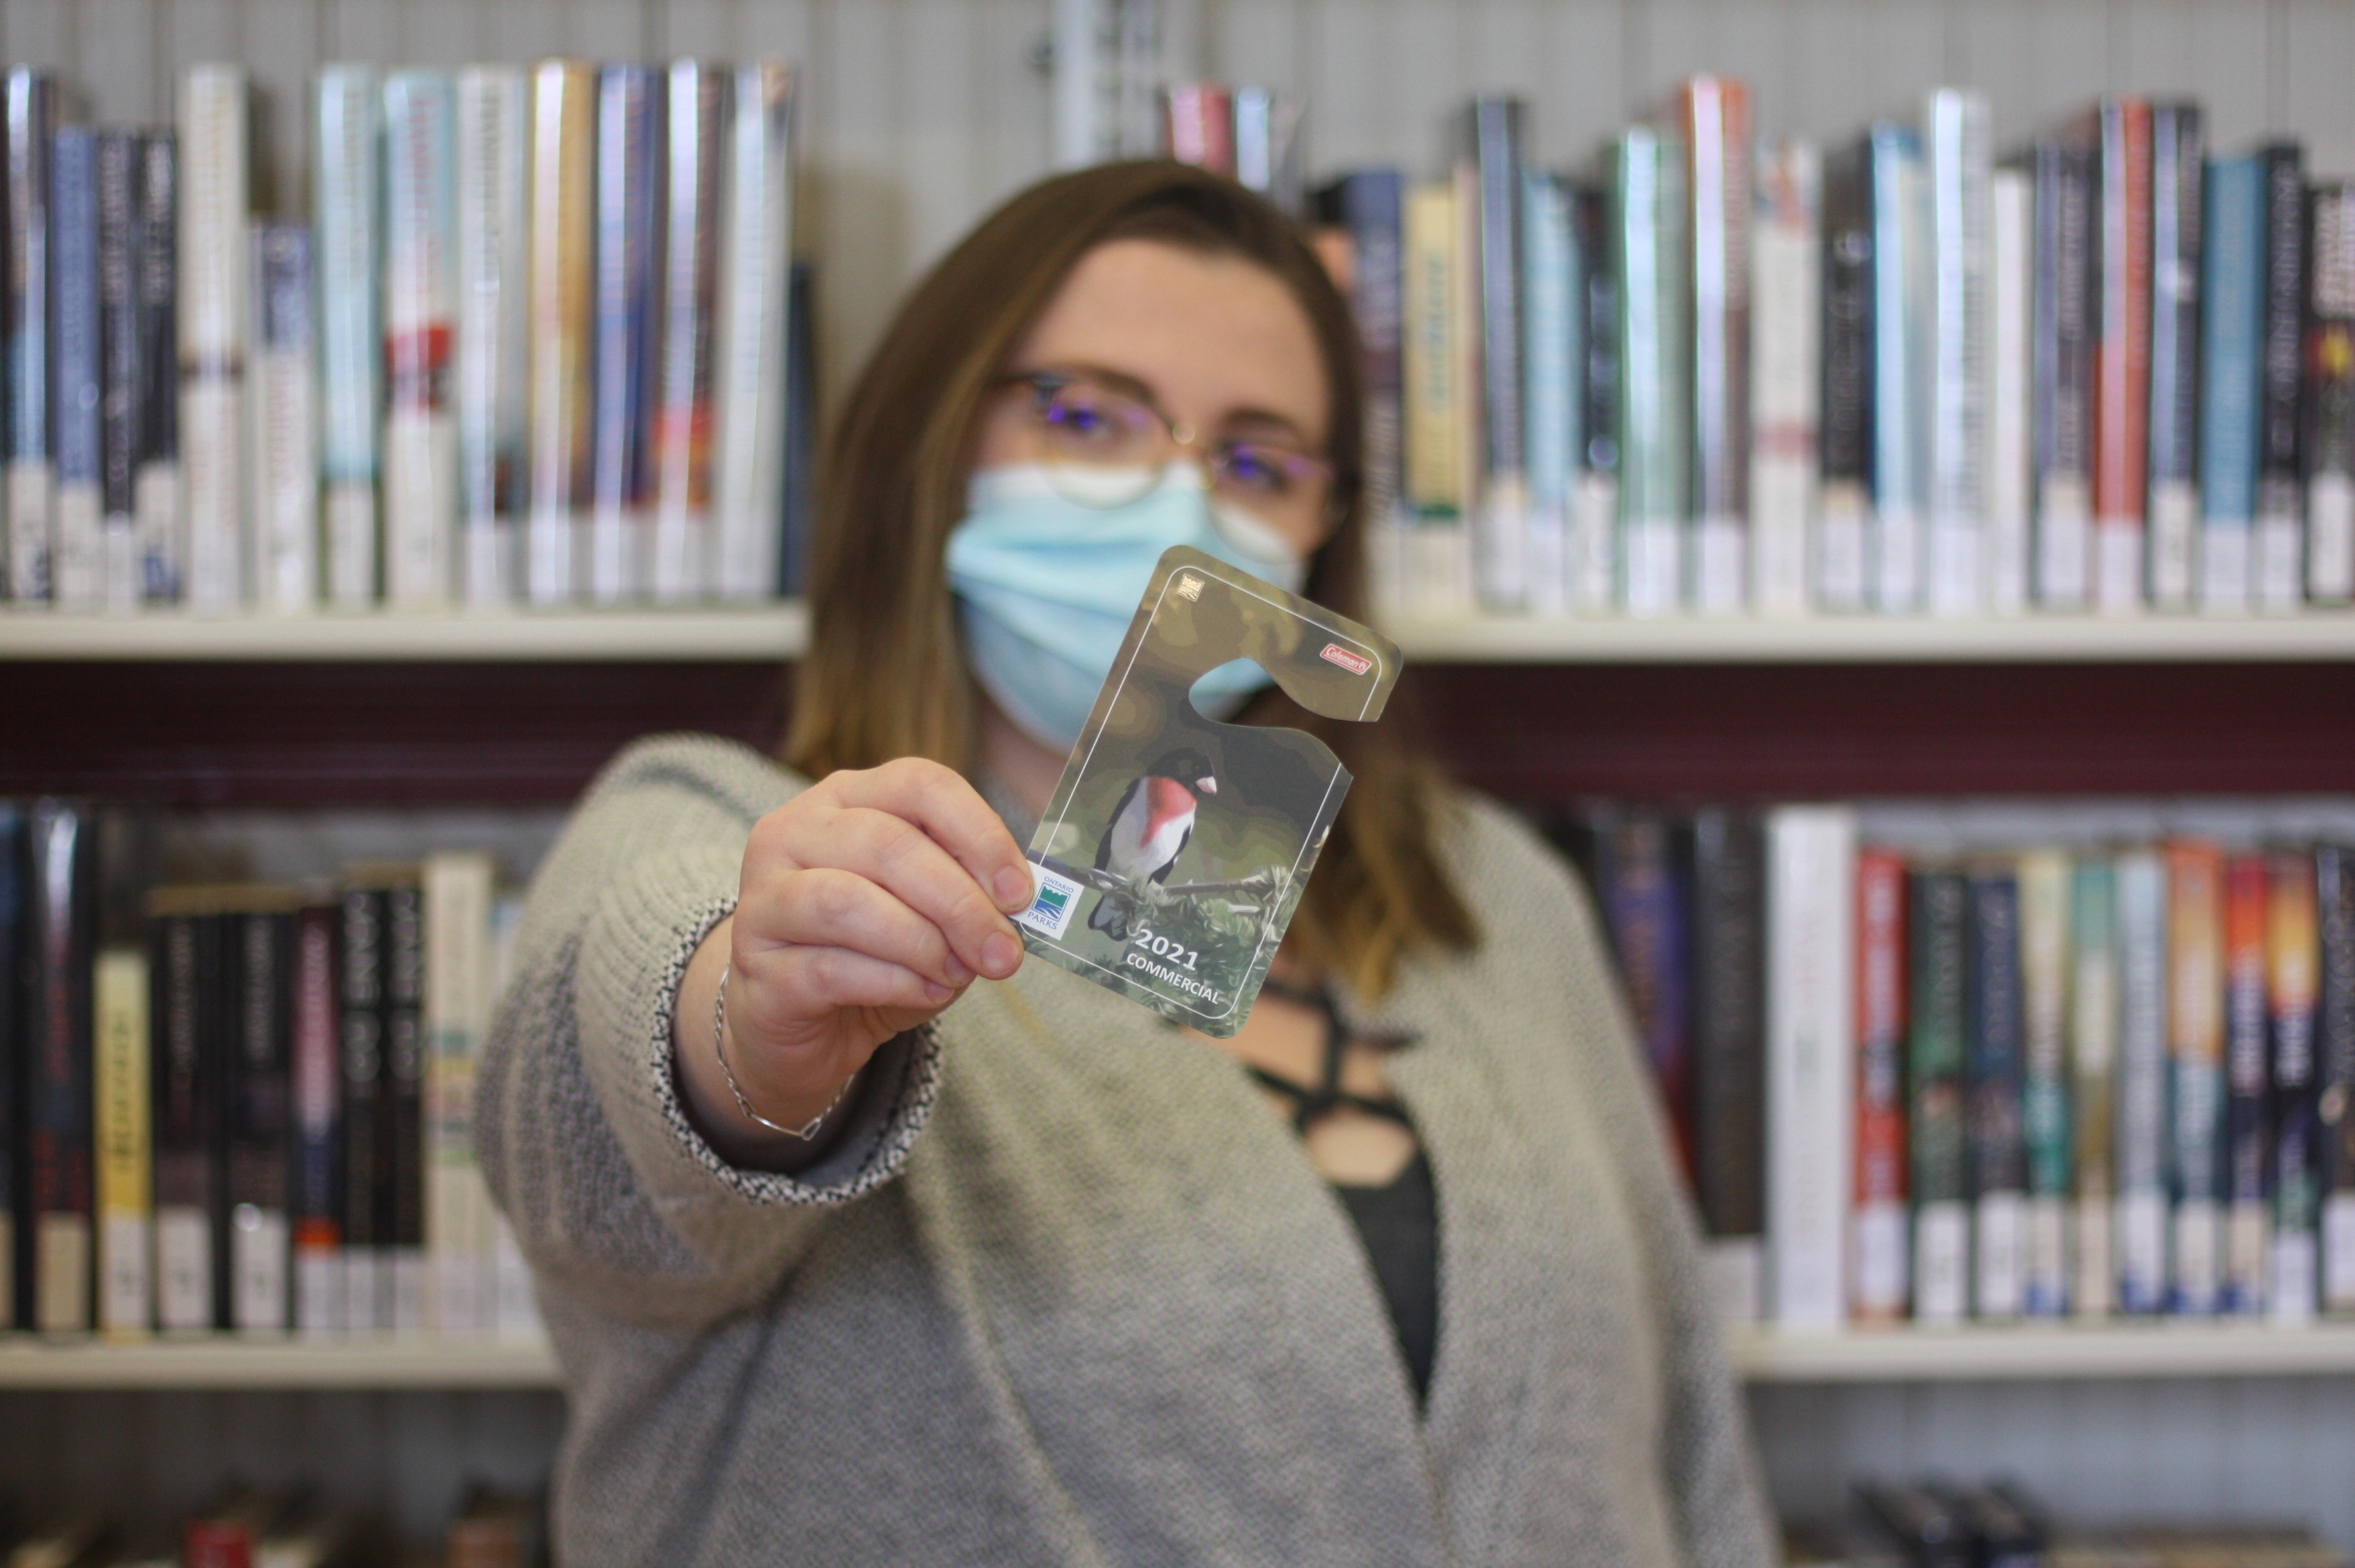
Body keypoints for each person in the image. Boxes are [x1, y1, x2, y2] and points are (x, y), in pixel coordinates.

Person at [478, 159, 1774, 1567]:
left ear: (1322, 536)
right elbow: (608, 1118)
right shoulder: (711, 829)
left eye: (1257, 460)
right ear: (929, 448)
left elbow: (1686, 1437)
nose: (1175, 501)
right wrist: (755, 1031)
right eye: (1088, 416)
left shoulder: (1492, 898)